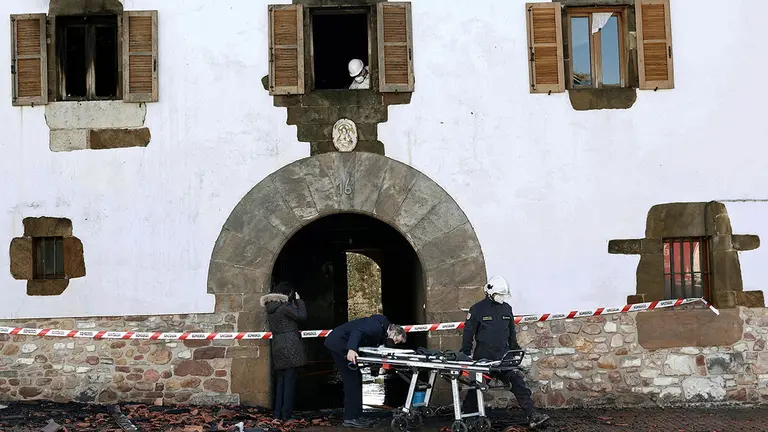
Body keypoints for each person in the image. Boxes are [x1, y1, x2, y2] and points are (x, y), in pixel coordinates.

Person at [461, 276, 550, 429]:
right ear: (490, 292)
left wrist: (515, 351)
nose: (502, 297)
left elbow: (511, 333)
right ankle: (468, 416)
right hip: (484, 359)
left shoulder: (506, 308)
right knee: (476, 387)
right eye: (499, 294)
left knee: (518, 383)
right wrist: (465, 354)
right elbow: (468, 333)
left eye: (503, 295)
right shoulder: (477, 309)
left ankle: (533, 415)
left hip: (503, 358)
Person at [325, 315, 406, 428]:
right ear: (392, 332)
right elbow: (357, 331)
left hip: (341, 342)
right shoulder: (376, 327)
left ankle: (357, 415)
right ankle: (350, 418)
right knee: (351, 380)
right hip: (339, 344)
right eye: (396, 340)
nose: (395, 343)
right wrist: (352, 349)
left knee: (357, 378)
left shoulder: (381, 327)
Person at [261, 282, 307, 422]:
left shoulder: (271, 308)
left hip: (278, 345)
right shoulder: (284, 307)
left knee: (281, 382)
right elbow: (302, 316)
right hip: (290, 345)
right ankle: (287, 415)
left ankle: (277, 414)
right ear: (287, 294)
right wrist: (299, 300)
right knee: (290, 382)